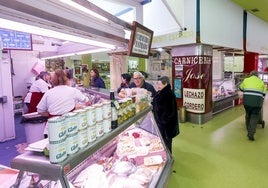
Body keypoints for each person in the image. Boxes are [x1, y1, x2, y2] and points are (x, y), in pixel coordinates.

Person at [152, 76, 179, 153]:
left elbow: (171, 112)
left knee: (166, 143)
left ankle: (168, 158)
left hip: (166, 126)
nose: (158, 86)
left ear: (165, 84)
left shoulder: (168, 95)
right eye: (157, 84)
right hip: (161, 124)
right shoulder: (160, 92)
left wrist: (162, 121)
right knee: (162, 142)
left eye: (160, 84)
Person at [239, 70, 266, 141]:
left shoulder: (246, 80)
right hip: (257, 103)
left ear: (250, 75)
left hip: (247, 102)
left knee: (248, 114)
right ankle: (251, 133)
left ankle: (248, 129)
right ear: (257, 75)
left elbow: (241, 88)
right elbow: (264, 93)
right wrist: (261, 101)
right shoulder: (261, 82)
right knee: (254, 117)